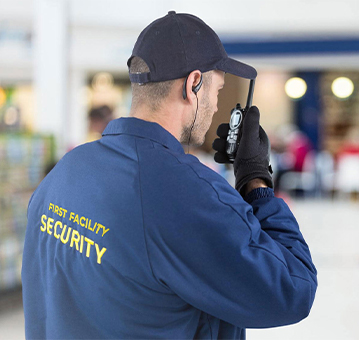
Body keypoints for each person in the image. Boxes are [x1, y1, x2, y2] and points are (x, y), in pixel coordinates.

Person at [22, 12, 317, 339]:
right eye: (216, 89)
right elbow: (293, 290)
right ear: (194, 85)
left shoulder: (66, 170)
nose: (216, 103)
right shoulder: (188, 194)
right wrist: (256, 182)